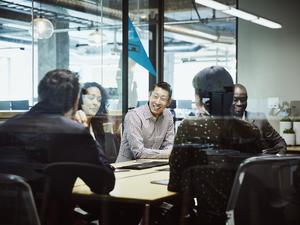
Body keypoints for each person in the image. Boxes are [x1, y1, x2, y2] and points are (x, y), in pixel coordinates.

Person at [168, 66, 265, 225]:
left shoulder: (189, 127)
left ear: (202, 98)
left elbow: (175, 184)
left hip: (208, 218)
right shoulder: (251, 130)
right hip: (245, 217)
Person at [0, 69, 115, 194]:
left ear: (40, 95)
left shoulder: (5, 127)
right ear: (76, 100)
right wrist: (85, 132)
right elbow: (104, 184)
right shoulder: (73, 132)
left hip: (8, 212)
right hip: (50, 213)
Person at [116, 81, 175, 162]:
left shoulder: (168, 116)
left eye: (163, 99)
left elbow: (169, 145)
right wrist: (167, 154)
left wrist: (168, 153)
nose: (157, 102)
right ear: (149, 96)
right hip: (126, 168)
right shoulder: (134, 116)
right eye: (155, 96)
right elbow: (138, 152)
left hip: (153, 167)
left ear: (168, 102)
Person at [232, 83, 287, 154]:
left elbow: (281, 143)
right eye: (235, 99)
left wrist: (275, 160)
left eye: (243, 99)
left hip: (257, 163)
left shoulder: (259, 120)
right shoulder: (222, 123)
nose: (239, 103)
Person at [74, 82, 120, 163]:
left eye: (99, 100)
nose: (95, 103)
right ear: (80, 100)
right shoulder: (72, 125)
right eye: (91, 98)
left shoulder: (99, 129)